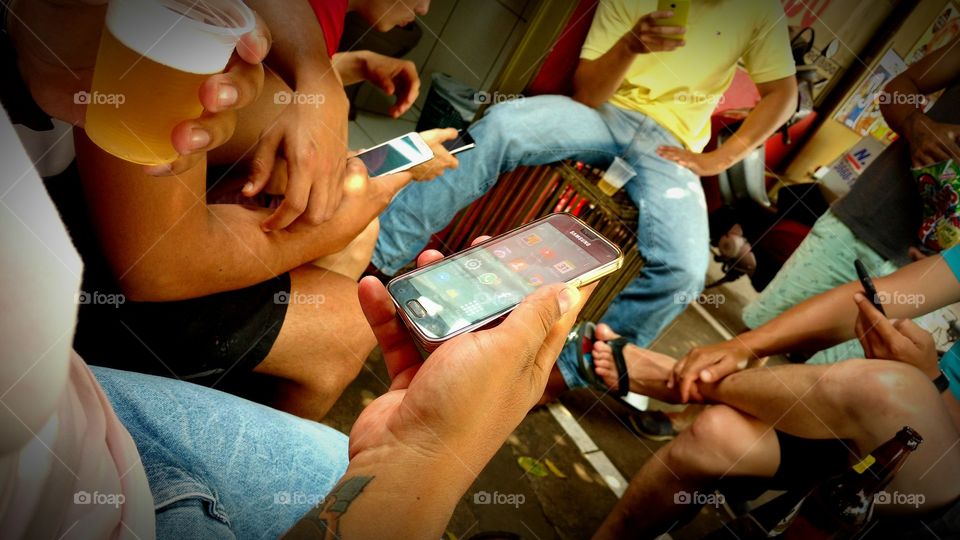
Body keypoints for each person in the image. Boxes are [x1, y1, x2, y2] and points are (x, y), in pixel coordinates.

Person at [1, 101, 594, 537]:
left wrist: (317, 85)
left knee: (348, 276)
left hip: (70, 408)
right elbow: (162, 263)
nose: (254, 46)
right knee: (337, 439)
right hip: (66, 470)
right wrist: (431, 456)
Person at [7, 0, 456, 420]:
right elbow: (160, 266)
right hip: (66, 272)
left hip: (89, 224)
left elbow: (272, 120)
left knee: (340, 233)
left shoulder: (249, 41)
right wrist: (342, 215)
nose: (423, 9)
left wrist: (324, 77)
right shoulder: (153, 41)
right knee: (348, 316)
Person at [371, 0, 798, 400]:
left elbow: (784, 95)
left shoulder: (760, 10)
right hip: (602, 113)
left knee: (685, 272)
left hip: (672, 145)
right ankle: (379, 259)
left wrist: (719, 159)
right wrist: (632, 44)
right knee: (502, 125)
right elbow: (588, 93)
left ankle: (567, 371)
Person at [629, 35, 960, 440]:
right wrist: (917, 124)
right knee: (762, 334)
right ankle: (696, 412)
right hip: (864, 220)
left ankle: (739, 442)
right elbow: (898, 90)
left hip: (931, 269)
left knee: (832, 380)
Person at [583, 249, 960, 538]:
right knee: (715, 433)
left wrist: (931, 380)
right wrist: (744, 347)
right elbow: (876, 297)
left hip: (939, 480)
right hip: (873, 430)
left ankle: (679, 381)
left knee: (882, 387)